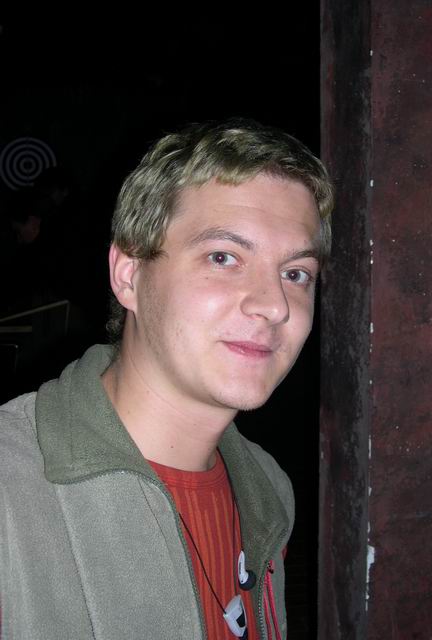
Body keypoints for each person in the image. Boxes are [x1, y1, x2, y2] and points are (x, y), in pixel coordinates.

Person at [0, 119, 333, 639]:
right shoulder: (11, 492)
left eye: (296, 274)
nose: (275, 306)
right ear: (129, 274)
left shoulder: (268, 491)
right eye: (223, 257)